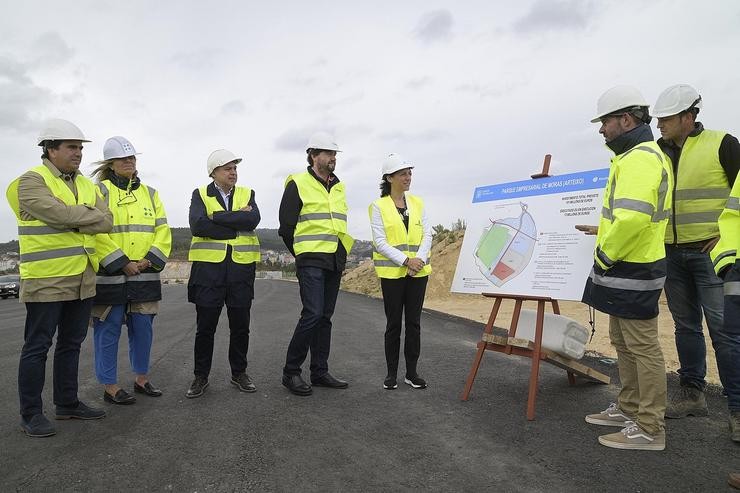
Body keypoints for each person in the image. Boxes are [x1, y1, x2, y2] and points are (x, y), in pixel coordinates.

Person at [579, 86, 672, 451]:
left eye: (604, 122)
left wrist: (603, 254)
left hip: (634, 267)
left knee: (642, 347)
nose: (602, 131)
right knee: (623, 342)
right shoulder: (631, 157)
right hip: (627, 265)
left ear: (626, 120)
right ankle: (631, 407)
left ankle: (650, 428)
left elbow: (633, 221)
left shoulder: (640, 158)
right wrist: (602, 230)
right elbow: (629, 217)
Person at [6, 119, 112, 437]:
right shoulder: (31, 181)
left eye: (80, 148)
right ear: (50, 149)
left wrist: (74, 216)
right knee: (38, 346)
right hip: (46, 278)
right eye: (71, 147)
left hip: (82, 276)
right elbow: (59, 215)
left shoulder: (86, 185)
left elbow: (106, 222)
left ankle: (67, 404)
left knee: (71, 343)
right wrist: (80, 216)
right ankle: (31, 413)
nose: (78, 153)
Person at [651, 84, 740, 435]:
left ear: (688, 117)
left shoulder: (723, 144)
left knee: (726, 332)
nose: (659, 123)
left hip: (710, 256)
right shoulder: (656, 152)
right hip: (671, 254)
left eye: (667, 118)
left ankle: (737, 410)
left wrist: (726, 236)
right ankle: (692, 394)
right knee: (685, 327)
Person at [89, 137, 171, 404]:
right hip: (111, 273)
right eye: (123, 159)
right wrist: (122, 262)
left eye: (132, 158)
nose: (129, 162)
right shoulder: (98, 191)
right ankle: (110, 386)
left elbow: (162, 230)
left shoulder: (151, 193)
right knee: (108, 328)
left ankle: (142, 379)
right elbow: (95, 231)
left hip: (144, 272)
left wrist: (148, 261)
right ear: (110, 163)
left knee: (143, 328)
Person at [278, 131, 354, 396]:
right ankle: (291, 372)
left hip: (334, 259)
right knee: (312, 314)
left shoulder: (339, 186)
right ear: (313, 155)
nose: (333, 158)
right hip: (310, 258)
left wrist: (341, 255)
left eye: (334, 154)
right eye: (328, 153)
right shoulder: (297, 183)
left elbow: (339, 224)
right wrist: (300, 253)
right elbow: (286, 227)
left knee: (325, 317)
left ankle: (319, 372)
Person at [186, 149, 260, 398]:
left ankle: (239, 373)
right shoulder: (200, 194)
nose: (233, 172)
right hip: (209, 272)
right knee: (205, 328)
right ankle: (200, 377)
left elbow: (252, 221)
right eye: (227, 168)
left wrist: (217, 217)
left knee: (241, 327)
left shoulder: (248, 193)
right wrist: (234, 224)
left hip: (240, 270)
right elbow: (198, 226)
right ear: (213, 173)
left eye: (235, 168)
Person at [368, 153, 432, 390]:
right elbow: (380, 242)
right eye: (403, 173)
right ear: (389, 177)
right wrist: (406, 261)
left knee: (414, 323)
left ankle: (412, 373)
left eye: (409, 173)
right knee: (394, 323)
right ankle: (391, 374)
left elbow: (428, 234)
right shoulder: (378, 206)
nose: (408, 177)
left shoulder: (418, 203)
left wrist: (419, 260)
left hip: (418, 272)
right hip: (393, 274)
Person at [710, 175, 740, 441]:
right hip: (738, 270)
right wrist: (727, 262)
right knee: (732, 337)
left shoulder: (723, 145)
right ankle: (737, 412)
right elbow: (732, 216)